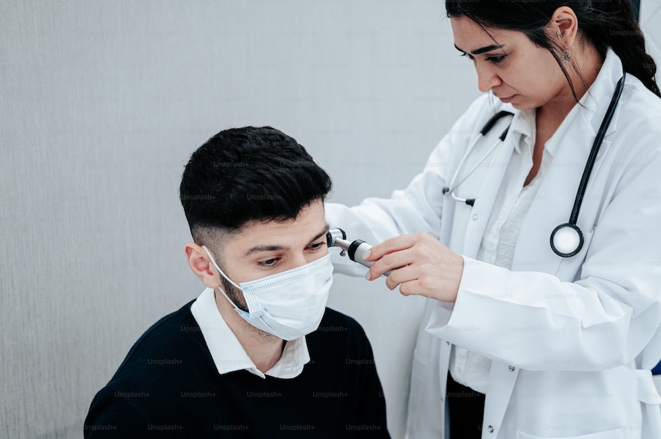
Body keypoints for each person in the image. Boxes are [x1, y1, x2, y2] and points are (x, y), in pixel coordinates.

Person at [326, 1, 661, 438]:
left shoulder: (646, 140)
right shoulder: (494, 116)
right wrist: (306, 226)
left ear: (563, 27)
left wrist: (464, 283)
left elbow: (613, 319)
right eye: (472, 59)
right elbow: (416, 218)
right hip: (454, 403)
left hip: (555, 419)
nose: (485, 82)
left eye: (496, 56)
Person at [84, 127, 390, 438]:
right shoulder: (140, 404)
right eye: (270, 260)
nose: (305, 278)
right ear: (204, 266)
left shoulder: (345, 343)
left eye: (315, 246)